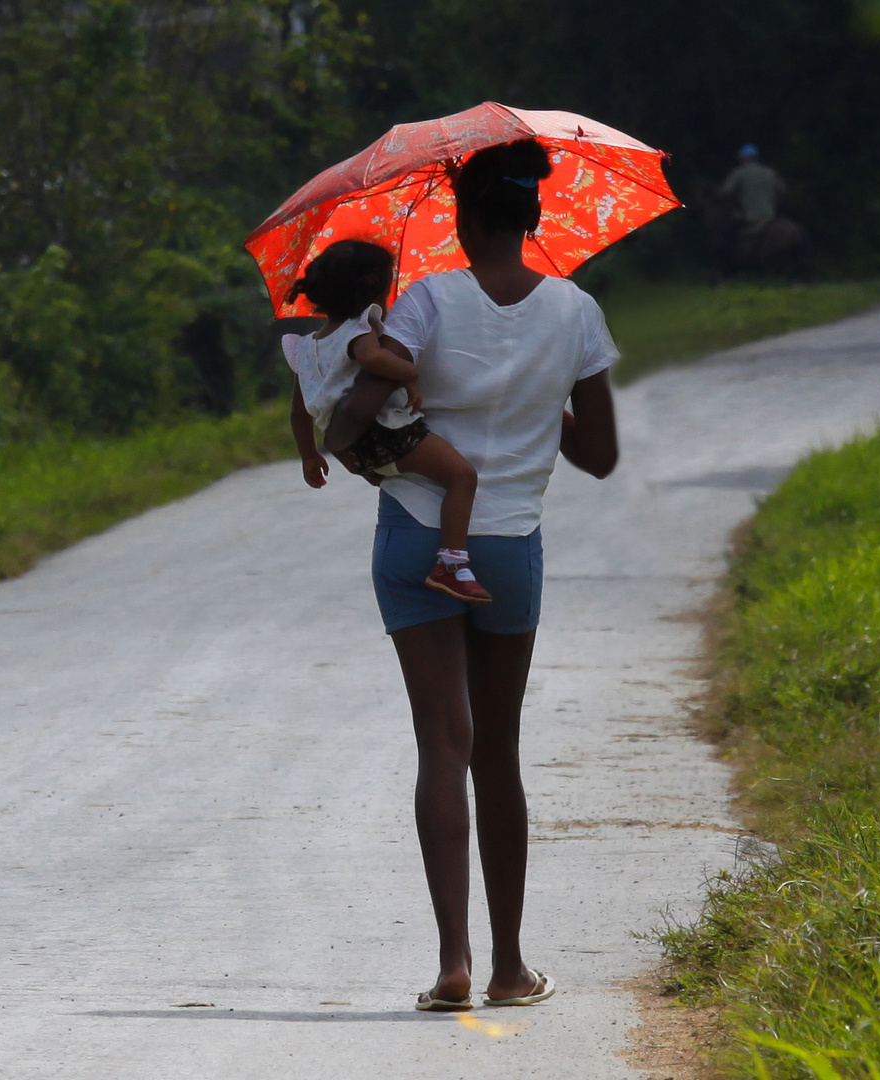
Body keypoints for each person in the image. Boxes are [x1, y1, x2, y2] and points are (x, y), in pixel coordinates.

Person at [322, 138, 619, 1011]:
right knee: (499, 753)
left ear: (466, 213)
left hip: (417, 535)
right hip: (506, 546)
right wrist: (539, 400)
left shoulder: (425, 301)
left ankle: (451, 965)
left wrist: (334, 409)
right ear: (532, 216)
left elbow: (353, 426)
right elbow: (598, 456)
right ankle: (508, 968)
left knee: (441, 748)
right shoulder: (577, 313)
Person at [284, 240, 490, 602]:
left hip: (357, 451)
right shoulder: (359, 330)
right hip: (387, 434)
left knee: (403, 478)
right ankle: (452, 564)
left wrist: (309, 456)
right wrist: (410, 373)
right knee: (462, 476)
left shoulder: (306, 346)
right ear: (373, 289)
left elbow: (299, 412)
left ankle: (385, 481)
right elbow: (373, 359)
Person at [720, 143, 786, 235]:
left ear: (743, 158)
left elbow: (724, 193)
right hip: (770, 216)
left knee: (726, 235)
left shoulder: (738, 173)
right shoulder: (770, 172)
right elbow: (782, 192)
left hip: (748, 217)